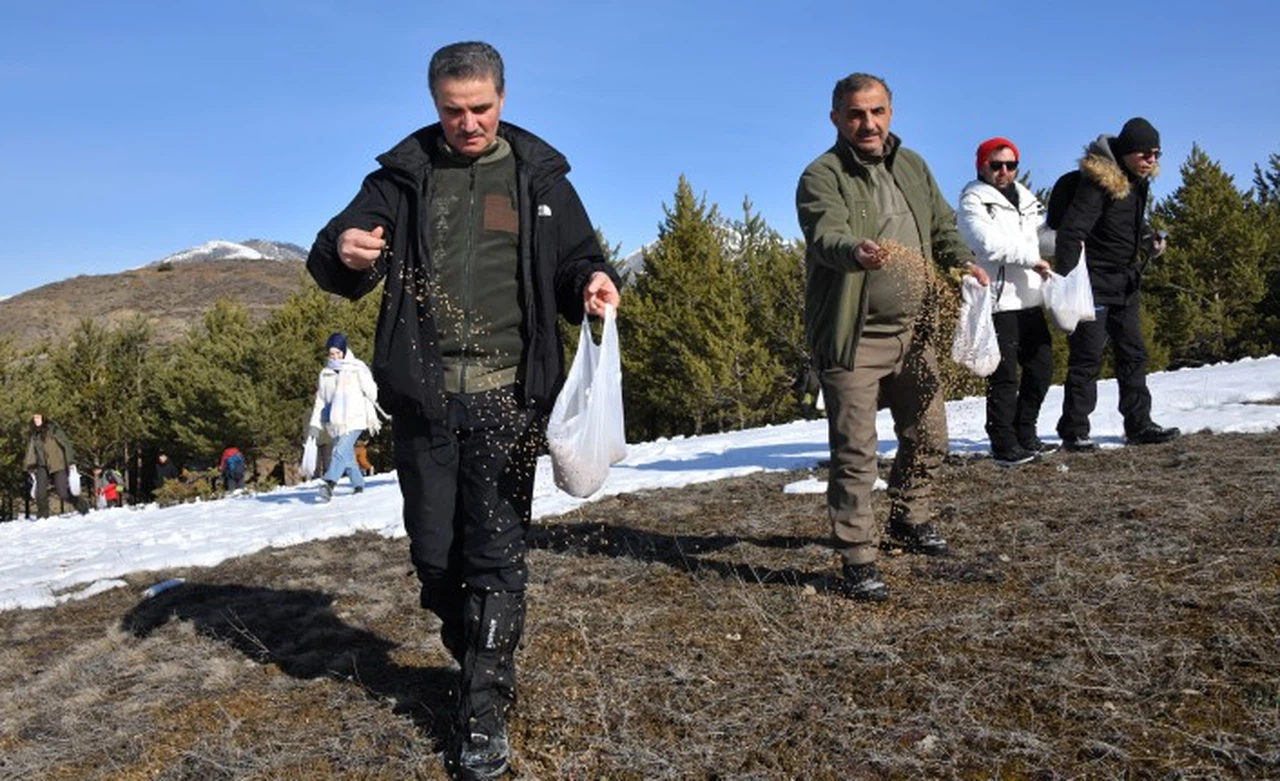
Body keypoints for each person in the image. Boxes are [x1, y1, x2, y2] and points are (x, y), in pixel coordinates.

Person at [305, 41, 621, 779]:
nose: (467, 123)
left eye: (480, 109)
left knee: (495, 554)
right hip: (425, 400)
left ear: (502, 100)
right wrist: (345, 249)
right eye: (453, 110)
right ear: (434, 103)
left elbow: (579, 255)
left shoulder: (537, 174)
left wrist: (595, 281)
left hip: (512, 396)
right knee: (435, 558)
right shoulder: (404, 176)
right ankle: (481, 649)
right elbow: (335, 248)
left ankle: (482, 708)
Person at [795, 72, 989, 603]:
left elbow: (943, 226)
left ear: (891, 112)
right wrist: (854, 251)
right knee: (856, 451)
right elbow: (825, 235)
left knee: (930, 436)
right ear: (836, 117)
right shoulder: (822, 175)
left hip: (917, 331)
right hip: (854, 337)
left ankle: (910, 517)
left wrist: (962, 262)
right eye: (856, 114)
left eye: (877, 111)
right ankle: (857, 557)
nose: (868, 123)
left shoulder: (912, 165)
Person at [1053, 117, 1180, 451]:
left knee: (1134, 354)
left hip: (1125, 282)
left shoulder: (1137, 181)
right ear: (1126, 151)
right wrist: (1067, 283)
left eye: (1157, 153)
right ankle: (1074, 430)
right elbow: (1072, 232)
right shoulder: (1097, 183)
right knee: (1087, 358)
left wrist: (1148, 242)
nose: (1152, 159)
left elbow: (1119, 229)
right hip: (1092, 283)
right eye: (1145, 153)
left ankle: (1139, 425)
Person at [957, 137, 1056, 466]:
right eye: (995, 164)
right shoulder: (973, 201)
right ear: (981, 166)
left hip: (1029, 296)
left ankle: (1025, 432)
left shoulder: (1026, 199)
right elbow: (988, 245)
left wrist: (1070, 239)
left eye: (1010, 165)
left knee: (1041, 367)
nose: (1003, 171)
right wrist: (1033, 259)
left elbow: (1039, 238)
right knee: (1003, 377)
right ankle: (1002, 442)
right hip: (999, 300)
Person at [306, 332, 383, 501]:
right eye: (331, 354)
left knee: (339, 451)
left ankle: (329, 483)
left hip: (355, 418)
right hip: (335, 421)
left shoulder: (357, 367)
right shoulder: (325, 373)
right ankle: (358, 483)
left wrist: (367, 383)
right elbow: (321, 400)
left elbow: (371, 390)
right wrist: (314, 425)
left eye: (338, 353)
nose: (335, 357)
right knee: (346, 455)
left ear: (344, 350)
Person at [23, 413, 89, 517]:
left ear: (43, 418)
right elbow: (31, 451)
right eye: (34, 418)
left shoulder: (54, 430)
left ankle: (82, 506)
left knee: (63, 493)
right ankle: (43, 516)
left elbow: (66, 444)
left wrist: (70, 461)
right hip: (42, 466)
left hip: (58, 464)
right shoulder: (34, 434)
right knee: (40, 493)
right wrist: (29, 465)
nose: (36, 420)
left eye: (38, 417)